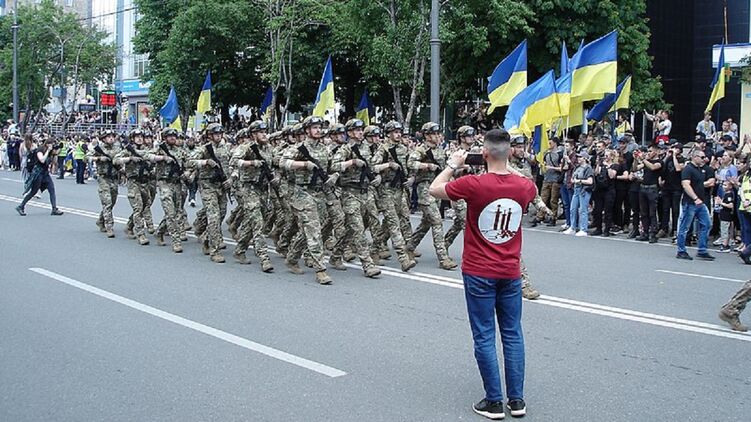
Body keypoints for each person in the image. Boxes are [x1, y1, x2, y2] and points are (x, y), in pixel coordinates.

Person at [428, 128, 535, 420]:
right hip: (510, 271)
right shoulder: (524, 187)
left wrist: (453, 165)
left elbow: (435, 189)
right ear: (510, 152)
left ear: (484, 153)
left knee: (485, 335)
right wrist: (507, 164)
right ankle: (517, 400)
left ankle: (494, 401)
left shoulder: (474, 183)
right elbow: (529, 185)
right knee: (512, 334)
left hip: (479, 270)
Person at [675, 150, 715, 261]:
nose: (704, 159)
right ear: (695, 157)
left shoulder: (700, 170)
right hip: (690, 202)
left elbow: (704, 183)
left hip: (700, 202)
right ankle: (681, 250)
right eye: (702, 157)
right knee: (684, 227)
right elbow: (685, 185)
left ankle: (702, 249)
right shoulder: (688, 169)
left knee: (706, 224)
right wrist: (695, 198)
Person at [15, 139, 64, 217]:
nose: (53, 146)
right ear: (47, 144)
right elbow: (42, 160)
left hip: (45, 173)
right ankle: (21, 206)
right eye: (52, 144)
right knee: (33, 192)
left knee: (52, 189)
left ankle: (54, 209)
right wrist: (48, 151)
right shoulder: (40, 149)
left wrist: (55, 154)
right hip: (38, 173)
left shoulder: (50, 151)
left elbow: (55, 163)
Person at [564, 151, 594, 237]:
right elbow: (573, 177)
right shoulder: (577, 167)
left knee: (583, 210)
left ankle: (583, 229)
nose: (578, 158)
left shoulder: (588, 168)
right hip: (576, 190)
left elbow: (590, 181)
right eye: (578, 157)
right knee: (573, 209)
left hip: (584, 190)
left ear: (584, 158)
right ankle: (572, 227)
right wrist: (573, 180)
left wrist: (579, 181)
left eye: (580, 157)